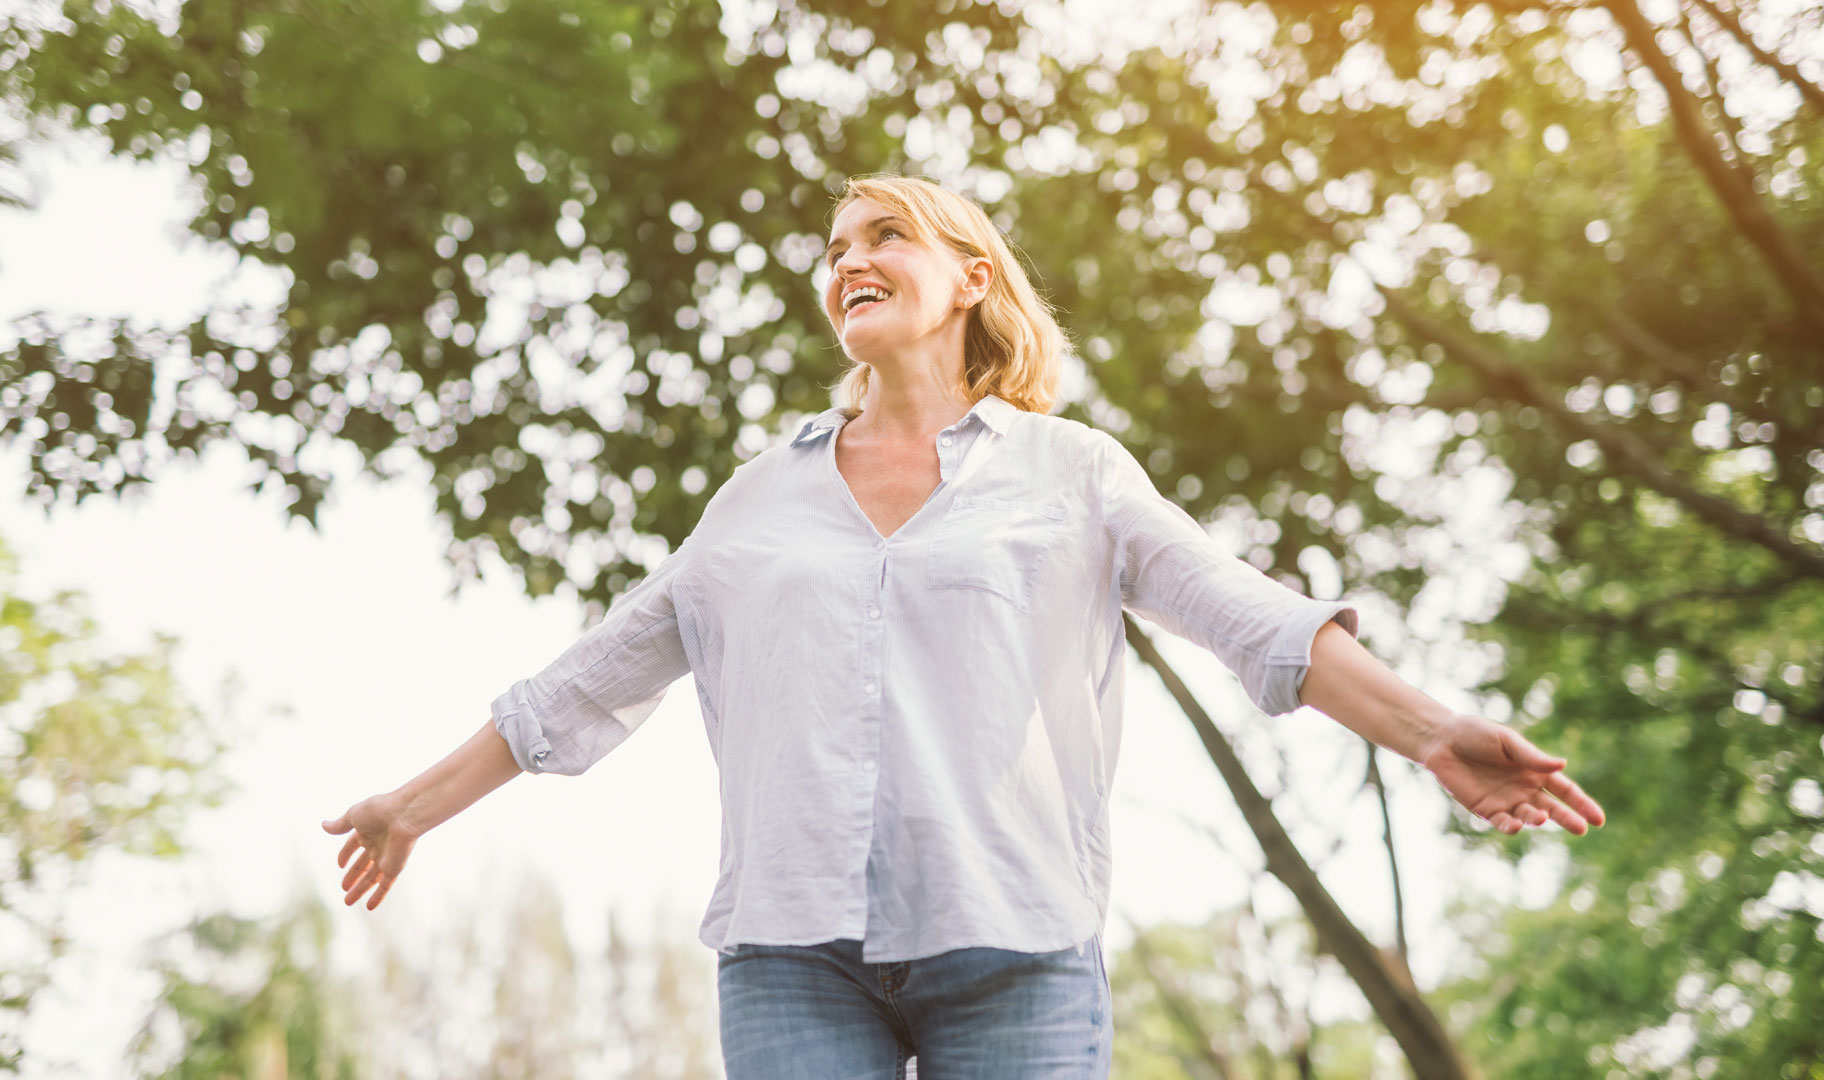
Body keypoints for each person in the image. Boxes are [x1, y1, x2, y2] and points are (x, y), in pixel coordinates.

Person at [323, 174, 1606, 1078]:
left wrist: (1432, 729)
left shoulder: (1072, 473)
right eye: (833, 250)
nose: (847, 263)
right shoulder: (759, 498)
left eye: (884, 236)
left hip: (1017, 946)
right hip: (792, 957)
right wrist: (408, 808)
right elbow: (589, 680)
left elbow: (1249, 616)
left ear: (970, 279)